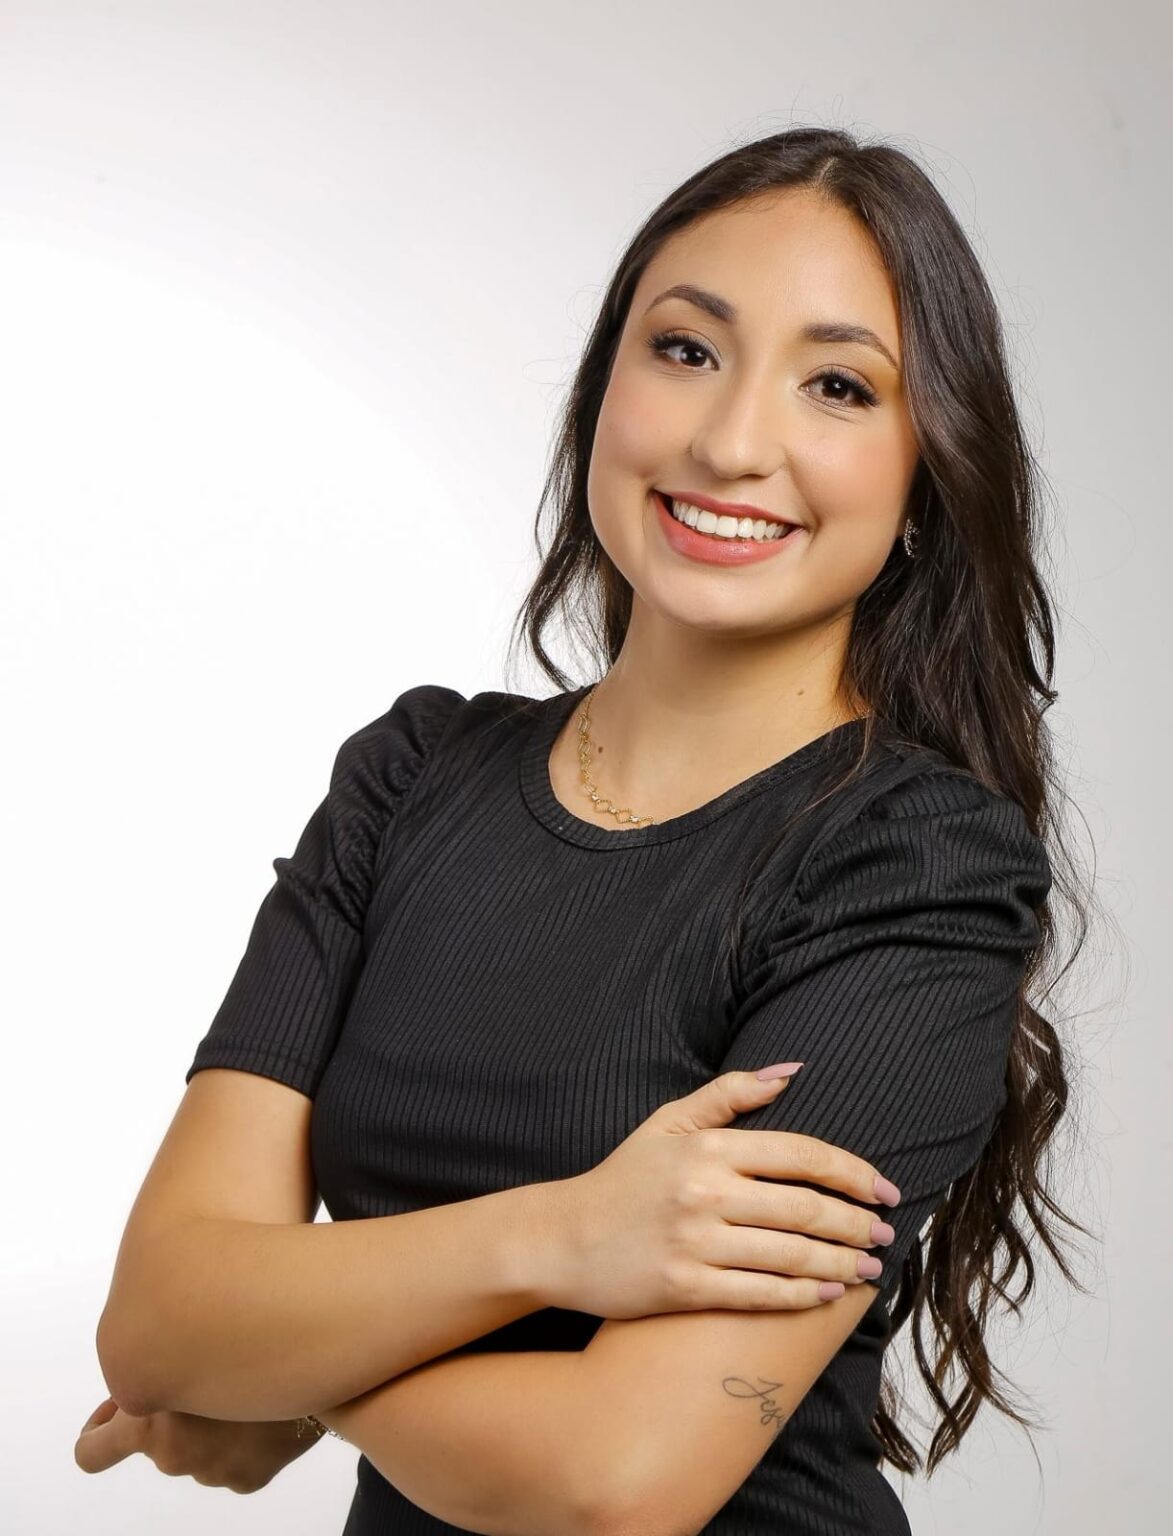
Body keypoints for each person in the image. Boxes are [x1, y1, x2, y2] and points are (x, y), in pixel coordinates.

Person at [83, 126, 1094, 1535]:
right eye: (685, 350)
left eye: (837, 385)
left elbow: (614, 1483)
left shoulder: (915, 865)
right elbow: (158, 1313)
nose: (732, 442)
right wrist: (566, 1236)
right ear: (601, 386)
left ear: (928, 474)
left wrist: (293, 1384)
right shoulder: (410, 776)